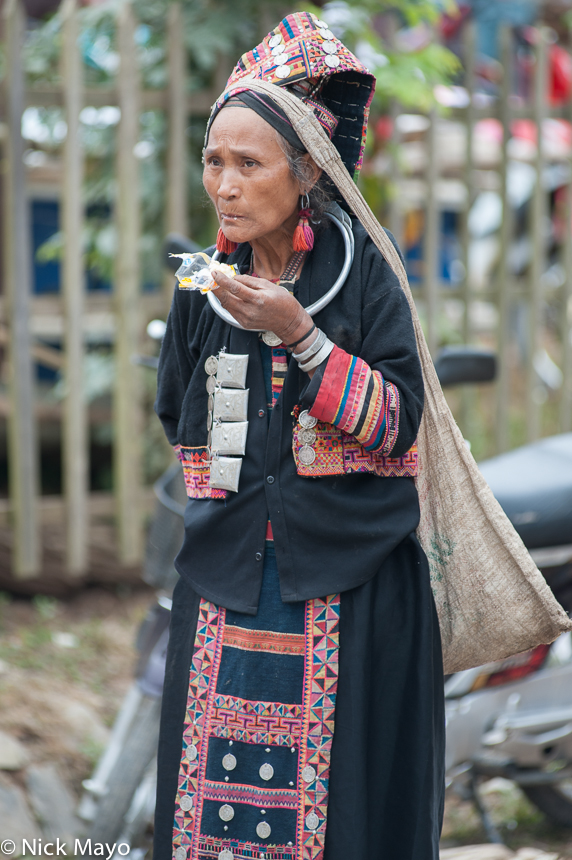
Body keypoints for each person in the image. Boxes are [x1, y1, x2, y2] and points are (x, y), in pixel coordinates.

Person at [154, 11, 445, 860]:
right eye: (215, 161)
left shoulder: (365, 277)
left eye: (250, 164)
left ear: (307, 170)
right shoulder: (200, 288)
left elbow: (397, 424)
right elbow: (179, 414)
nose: (226, 186)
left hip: (348, 580)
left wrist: (302, 339)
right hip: (228, 580)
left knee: (342, 818)